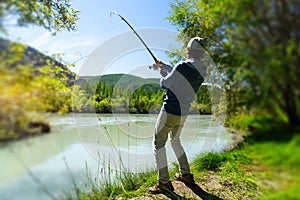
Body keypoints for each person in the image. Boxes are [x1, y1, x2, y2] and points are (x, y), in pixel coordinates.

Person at [148, 37, 207, 194]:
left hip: (170, 110)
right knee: (175, 141)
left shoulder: (182, 66)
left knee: (158, 143)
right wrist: (165, 67)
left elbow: (165, 83)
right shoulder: (203, 68)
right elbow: (180, 74)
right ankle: (186, 175)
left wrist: (162, 73)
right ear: (202, 52)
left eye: (187, 49)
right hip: (184, 112)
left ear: (188, 50)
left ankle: (164, 183)